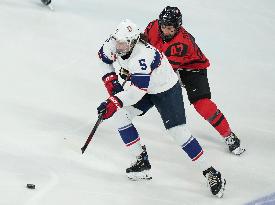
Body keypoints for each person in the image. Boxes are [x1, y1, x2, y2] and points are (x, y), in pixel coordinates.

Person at [97, 19, 226, 198]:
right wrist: (111, 82)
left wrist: (114, 100)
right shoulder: (115, 43)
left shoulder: (142, 56)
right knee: (121, 116)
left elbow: (136, 92)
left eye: (124, 43)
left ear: (134, 41)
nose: (119, 46)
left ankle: (210, 171)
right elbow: (104, 60)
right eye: (117, 41)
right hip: (145, 87)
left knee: (178, 133)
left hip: (165, 89)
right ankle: (141, 161)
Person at [141, 6, 245, 155]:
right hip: (168, 64)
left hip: (192, 68)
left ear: (178, 27)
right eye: (163, 26)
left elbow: (164, 70)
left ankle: (228, 135)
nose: (166, 31)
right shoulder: (153, 26)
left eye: (170, 28)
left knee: (201, 104)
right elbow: (145, 47)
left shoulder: (182, 43)